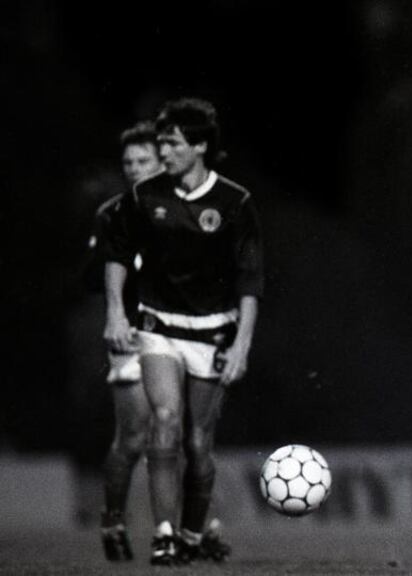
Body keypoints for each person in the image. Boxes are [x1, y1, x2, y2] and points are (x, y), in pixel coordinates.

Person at [105, 97, 263, 565]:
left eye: (171, 143)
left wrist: (242, 345)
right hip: (159, 325)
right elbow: (116, 254)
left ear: (198, 145)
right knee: (166, 421)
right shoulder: (144, 196)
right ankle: (164, 533)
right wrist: (116, 312)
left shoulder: (235, 203)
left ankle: (194, 531)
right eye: (161, 143)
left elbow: (250, 280)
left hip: (213, 330)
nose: (163, 152)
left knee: (199, 442)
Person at [89, 122, 163, 561]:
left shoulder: (187, 208)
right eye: (129, 163)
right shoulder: (113, 215)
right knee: (134, 436)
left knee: (183, 433)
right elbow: (95, 275)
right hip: (133, 335)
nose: (135, 169)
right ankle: (113, 521)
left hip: (180, 333)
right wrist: (116, 313)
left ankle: (193, 527)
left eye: (144, 161)